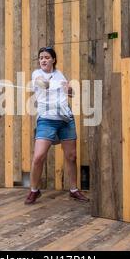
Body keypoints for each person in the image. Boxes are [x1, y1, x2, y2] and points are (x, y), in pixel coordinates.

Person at [25, 47, 89, 205]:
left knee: (71, 156)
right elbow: (43, 84)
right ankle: (34, 190)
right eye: (41, 58)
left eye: (47, 57)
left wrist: (69, 89)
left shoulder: (60, 74)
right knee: (39, 156)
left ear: (53, 59)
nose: (43, 60)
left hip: (65, 119)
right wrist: (56, 85)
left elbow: (71, 94)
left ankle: (74, 190)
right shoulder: (37, 74)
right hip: (46, 119)